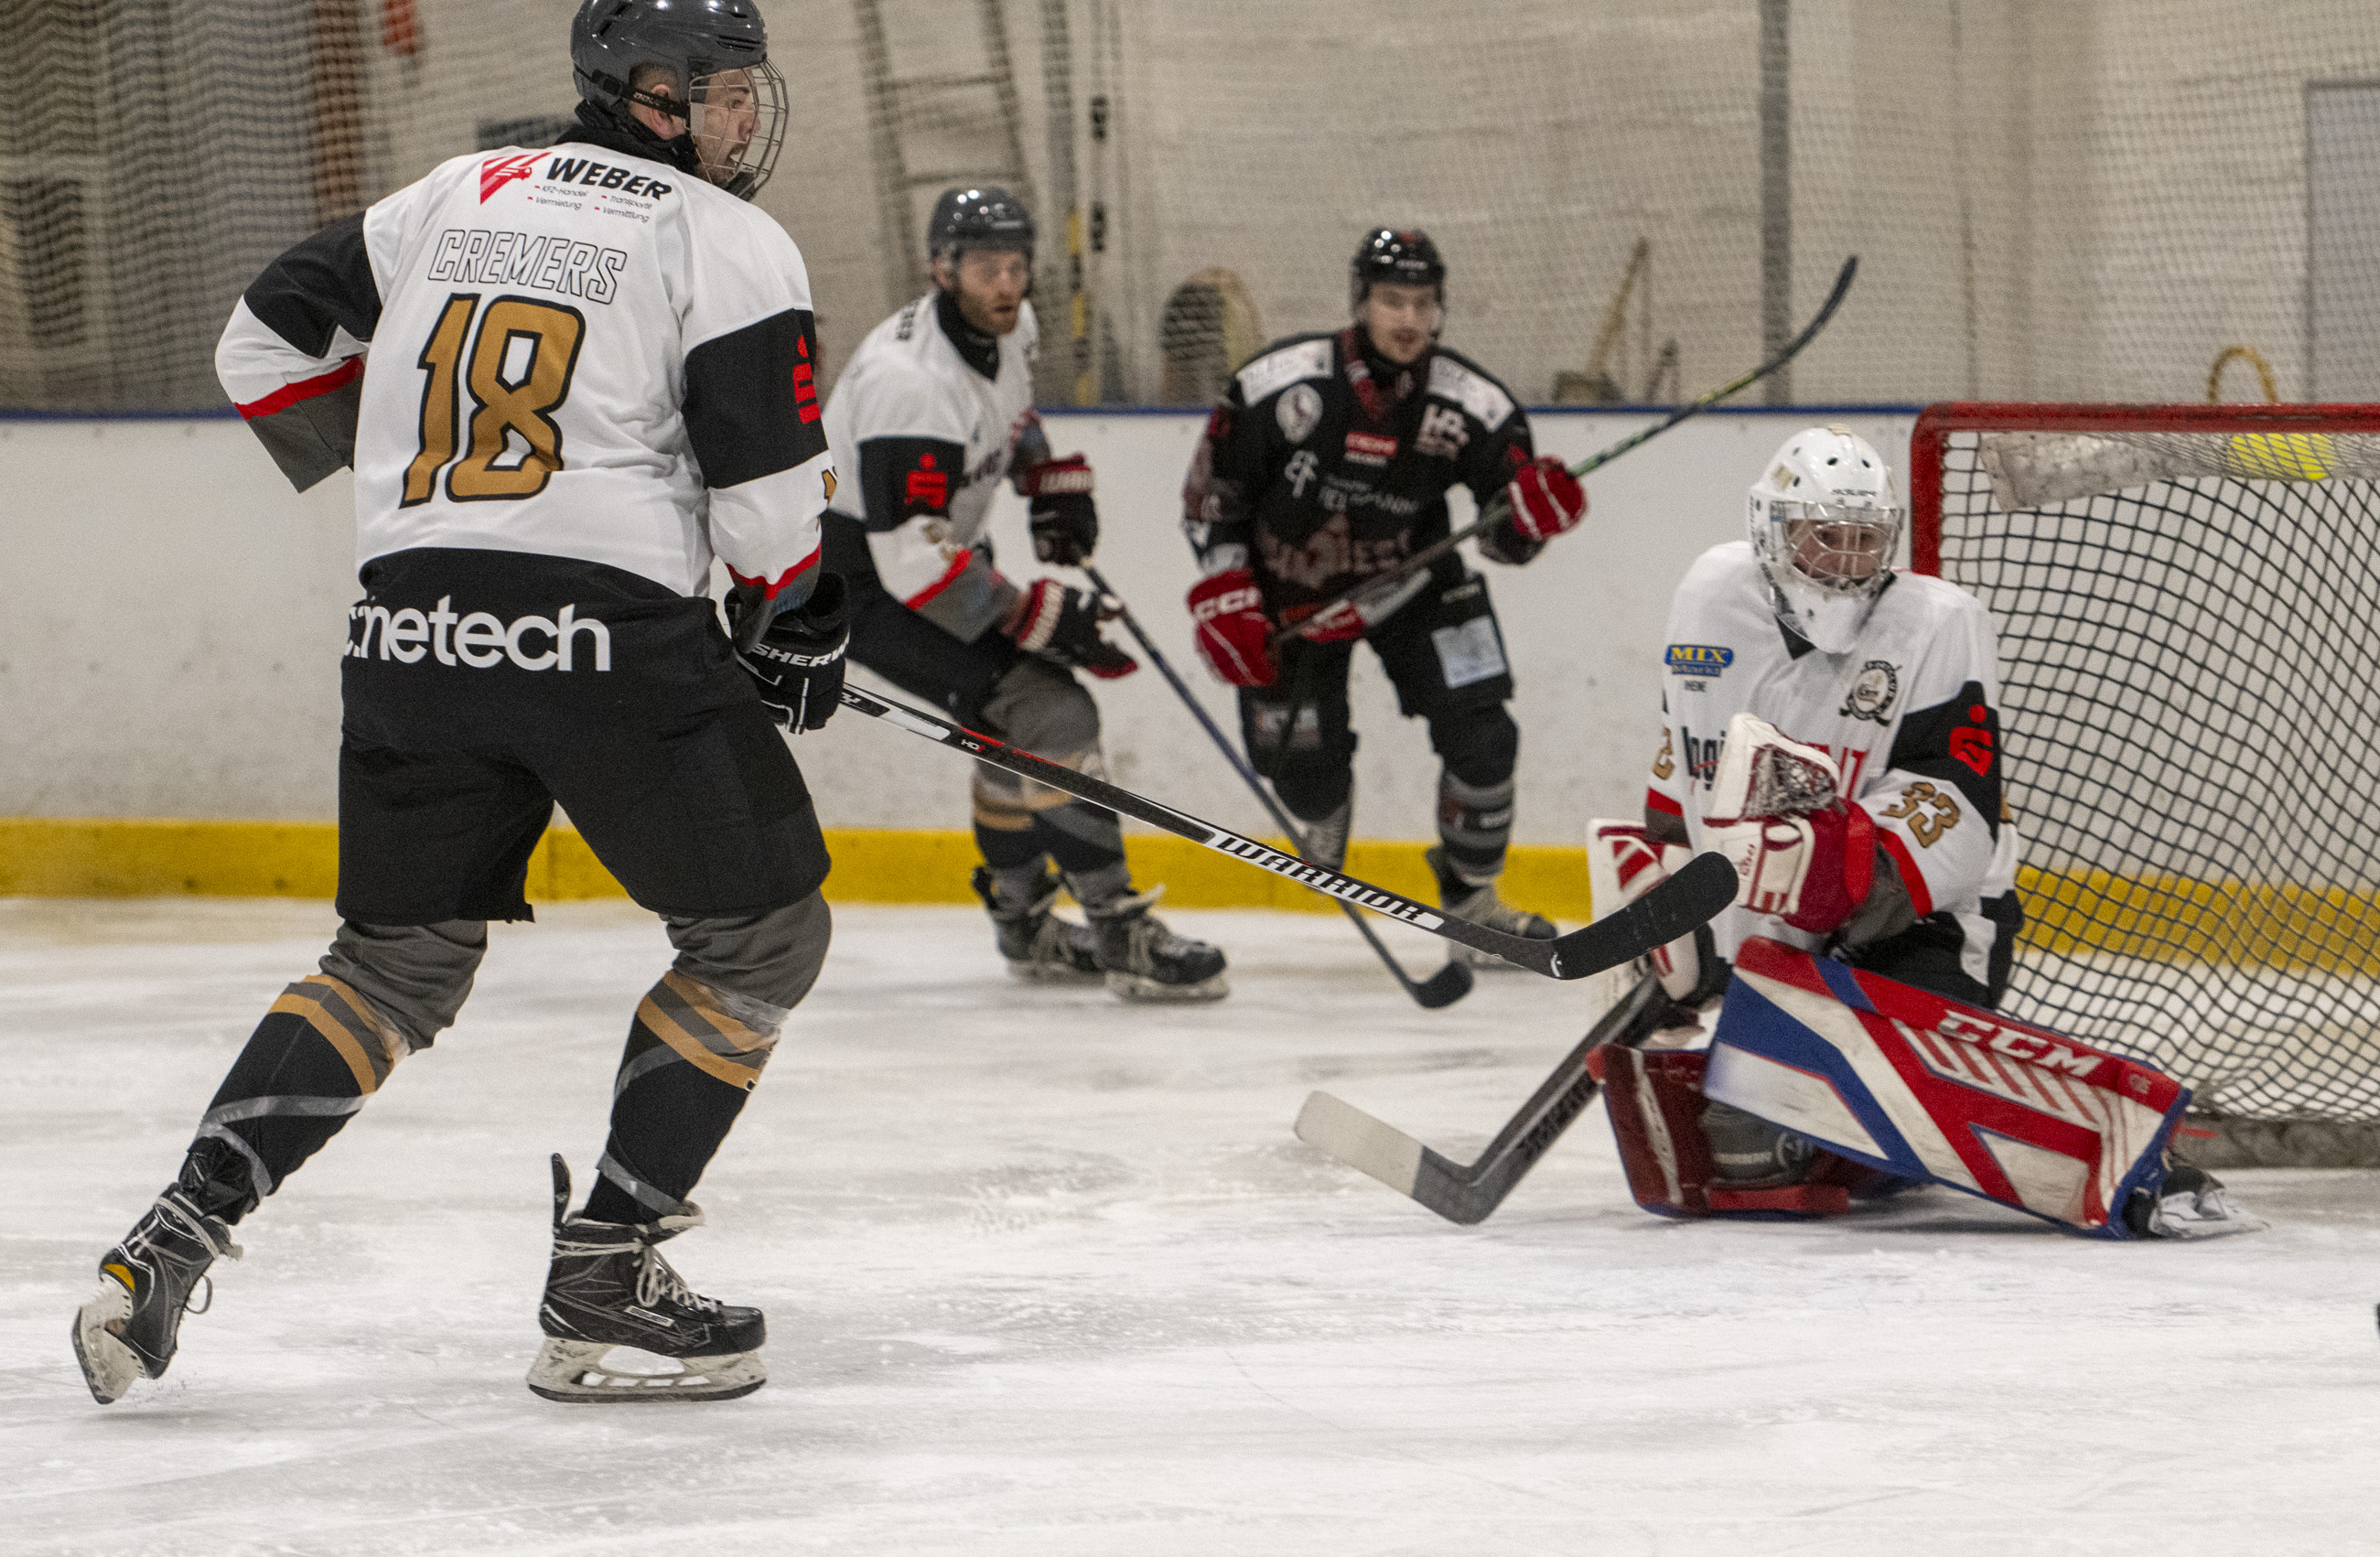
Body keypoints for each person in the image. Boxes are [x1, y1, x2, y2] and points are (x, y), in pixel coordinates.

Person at [73, 0, 844, 1407]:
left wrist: (413, 478)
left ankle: (171, 1237)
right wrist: (791, 617)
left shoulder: (451, 195)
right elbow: (770, 503)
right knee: (761, 934)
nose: (747, 116)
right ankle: (607, 1268)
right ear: (655, 99)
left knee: (393, 964)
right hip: (606, 636)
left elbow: (258, 346)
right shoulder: (725, 239)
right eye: (725, 92)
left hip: (412, 620)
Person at [1591, 426, 2243, 1235]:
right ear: (1771, 532)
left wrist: (1828, 865)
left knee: (1774, 1120)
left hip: (1927, 928)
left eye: (1866, 543)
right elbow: (1683, 766)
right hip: (1780, 942)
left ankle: (2123, 1156)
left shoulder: (1937, 625)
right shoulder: (1710, 598)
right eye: (1823, 539)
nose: (1844, 563)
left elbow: (1958, 815)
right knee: (1696, 1111)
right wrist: (1672, 923)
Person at [821, 186, 1228, 1003]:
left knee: (1001, 725)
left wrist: (1047, 478)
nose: (1006, 285)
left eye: (1016, 267)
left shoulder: (1011, 327)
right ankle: (1119, 930)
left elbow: (1013, 415)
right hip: (861, 581)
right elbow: (910, 563)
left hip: (927, 554)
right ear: (942, 269)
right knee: (1050, 709)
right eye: (983, 268)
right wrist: (1038, 617)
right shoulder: (910, 384)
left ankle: (1024, 922)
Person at [1181, 227, 1588, 963]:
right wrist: (1228, 589)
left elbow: (1504, 535)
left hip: (1414, 586)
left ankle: (1473, 902)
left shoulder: (1474, 405)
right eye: (1392, 301)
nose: (1408, 320)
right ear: (1360, 303)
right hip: (1293, 602)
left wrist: (1530, 522)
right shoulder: (1280, 387)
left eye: (1423, 303)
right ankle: (1323, 798)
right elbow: (1214, 500)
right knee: (1300, 777)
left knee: (1486, 736)